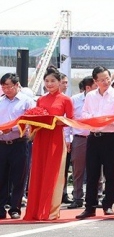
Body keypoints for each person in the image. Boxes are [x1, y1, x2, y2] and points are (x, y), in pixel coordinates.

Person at [23, 69, 73, 221]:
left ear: (59, 82)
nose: (49, 84)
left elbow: (70, 120)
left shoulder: (66, 100)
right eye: (47, 81)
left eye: (53, 81)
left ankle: (51, 210)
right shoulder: (41, 100)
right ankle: (37, 209)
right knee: (38, 171)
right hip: (41, 138)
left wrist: (55, 122)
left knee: (53, 173)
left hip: (56, 139)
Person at [77, 67, 114, 218]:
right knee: (92, 173)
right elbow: (84, 113)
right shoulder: (91, 96)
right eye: (102, 80)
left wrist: (107, 120)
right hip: (93, 136)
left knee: (110, 172)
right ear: (95, 81)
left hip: (111, 137)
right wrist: (96, 119)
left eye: (107, 78)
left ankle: (108, 204)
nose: (105, 82)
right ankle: (90, 207)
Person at [0, 73, 35, 218]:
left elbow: (31, 121)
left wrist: (13, 128)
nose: (6, 89)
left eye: (9, 86)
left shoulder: (27, 101)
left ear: (16, 85)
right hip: (2, 143)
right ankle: (1, 208)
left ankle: (15, 208)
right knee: (1, 177)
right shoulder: (0, 102)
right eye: (3, 87)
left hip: (19, 143)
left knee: (19, 177)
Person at [66, 76, 93, 208]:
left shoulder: (99, 99)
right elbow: (68, 121)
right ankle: (77, 197)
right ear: (88, 87)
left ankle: (95, 196)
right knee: (78, 170)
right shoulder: (74, 100)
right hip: (79, 138)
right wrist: (67, 139)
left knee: (97, 169)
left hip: (96, 137)